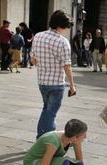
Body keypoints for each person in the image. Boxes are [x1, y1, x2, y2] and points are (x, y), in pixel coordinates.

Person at [31, 10, 76, 139]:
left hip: (42, 82)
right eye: (67, 27)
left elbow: (32, 59)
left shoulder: (38, 36)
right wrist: (72, 85)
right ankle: (44, 139)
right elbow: (67, 66)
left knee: (46, 110)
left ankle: (43, 137)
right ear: (61, 26)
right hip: (56, 84)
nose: (67, 30)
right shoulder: (63, 42)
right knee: (50, 113)